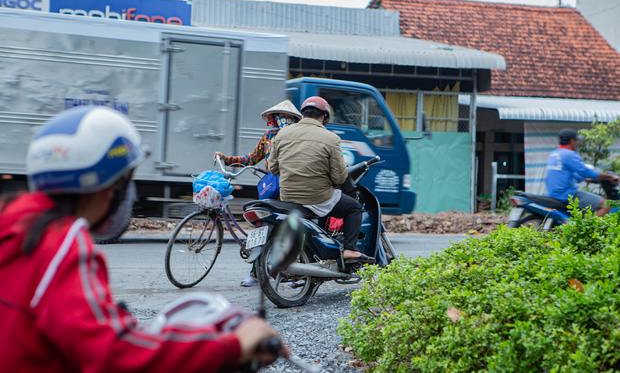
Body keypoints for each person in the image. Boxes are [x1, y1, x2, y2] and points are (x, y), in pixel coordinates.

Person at [0, 106, 284, 372]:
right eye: (125, 180)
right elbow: (115, 354)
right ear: (104, 184)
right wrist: (232, 345)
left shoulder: (14, 220)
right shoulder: (62, 248)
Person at [268, 96, 375, 264]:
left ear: (303, 114)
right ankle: (349, 250)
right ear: (324, 117)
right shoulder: (331, 138)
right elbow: (340, 177)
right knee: (354, 207)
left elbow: (273, 168)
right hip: (317, 198)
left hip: (287, 197)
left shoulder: (282, 134)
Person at [214, 99, 302, 286]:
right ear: (274, 118)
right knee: (261, 230)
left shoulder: (298, 136)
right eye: (281, 116)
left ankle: (295, 274)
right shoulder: (268, 137)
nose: (285, 119)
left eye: (289, 117)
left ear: (294, 120)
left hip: (291, 188)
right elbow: (251, 159)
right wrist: (227, 159)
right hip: (272, 189)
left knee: (288, 231)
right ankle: (255, 273)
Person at [546, 127, 620, 217]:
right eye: (576, 140)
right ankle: (589, 230)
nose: (577, 143)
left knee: (586, 213)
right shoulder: (569, 154)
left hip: (554, 194)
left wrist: (584, 178)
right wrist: (610, 176)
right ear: (572, 141)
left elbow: (570, 175)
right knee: (607, 205)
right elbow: (587, 172)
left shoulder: (554, 154)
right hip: (567, 194)